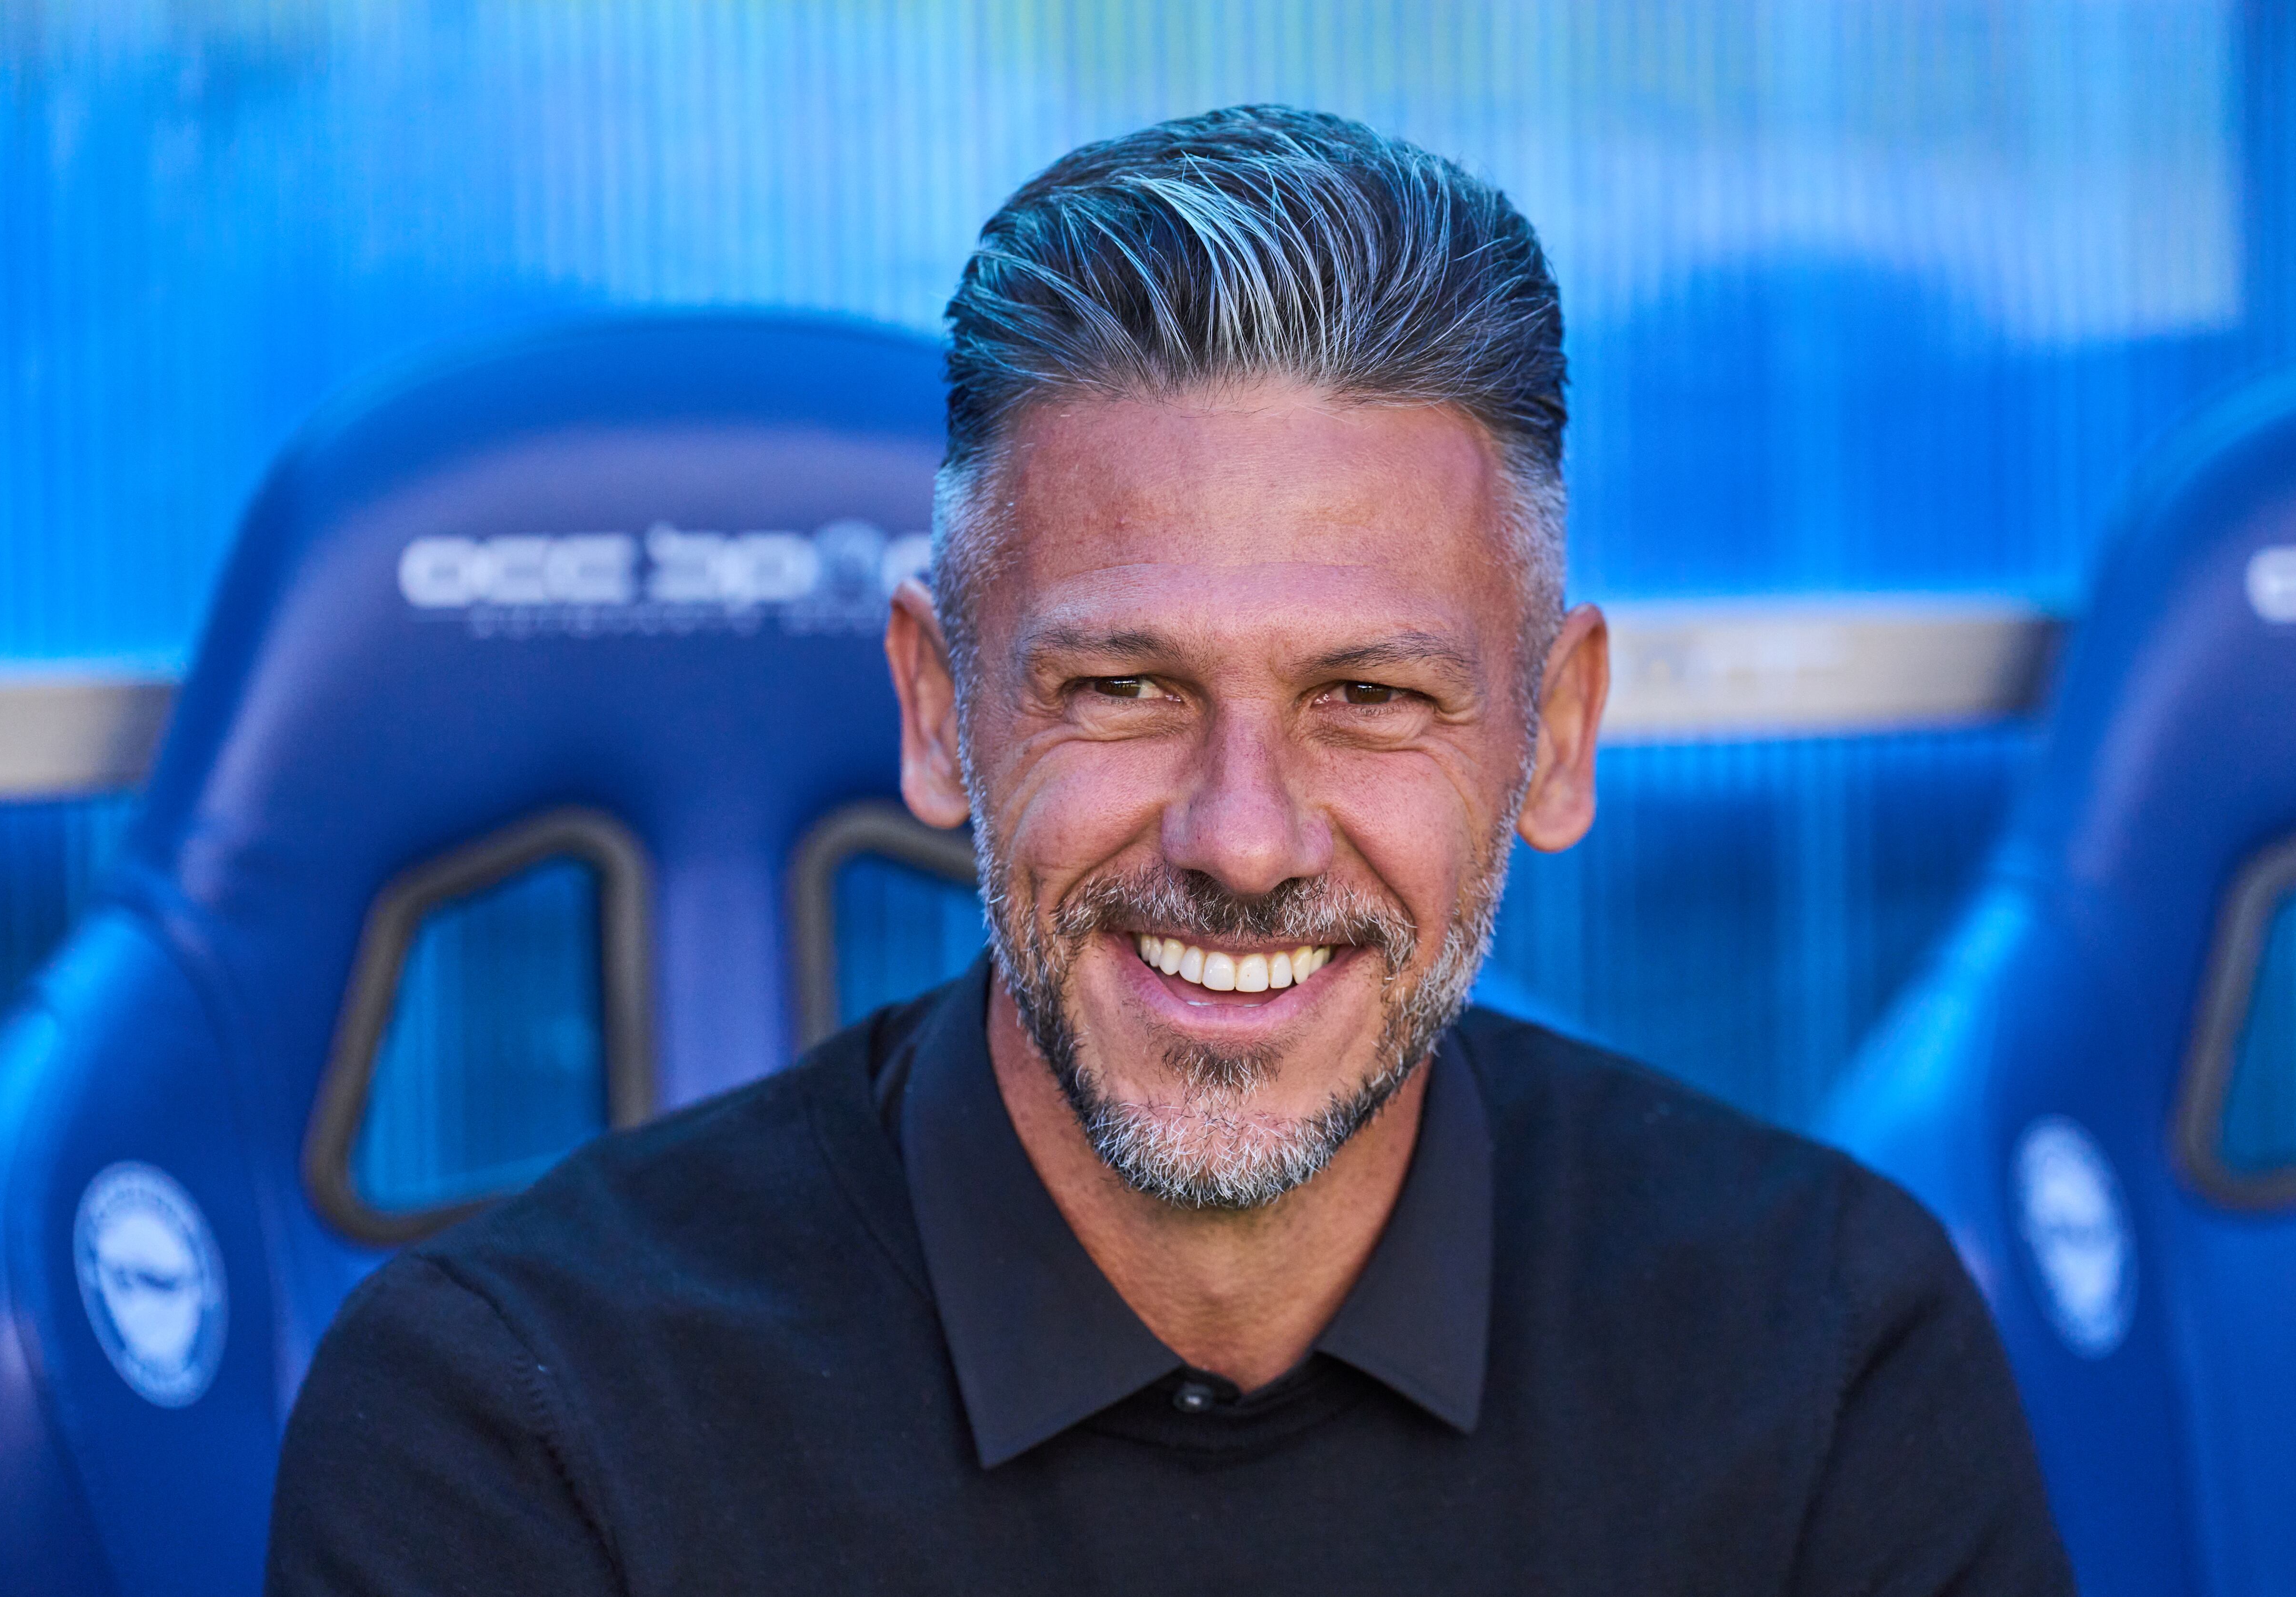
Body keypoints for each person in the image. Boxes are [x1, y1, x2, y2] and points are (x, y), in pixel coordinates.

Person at [268, 105, 2074, 1594]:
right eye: (1126, 686)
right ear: (937, 705)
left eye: (1369, 695)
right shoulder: (509, 1427)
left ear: (1558, 733)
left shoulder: (1831, 1356)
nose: (1240, 836)